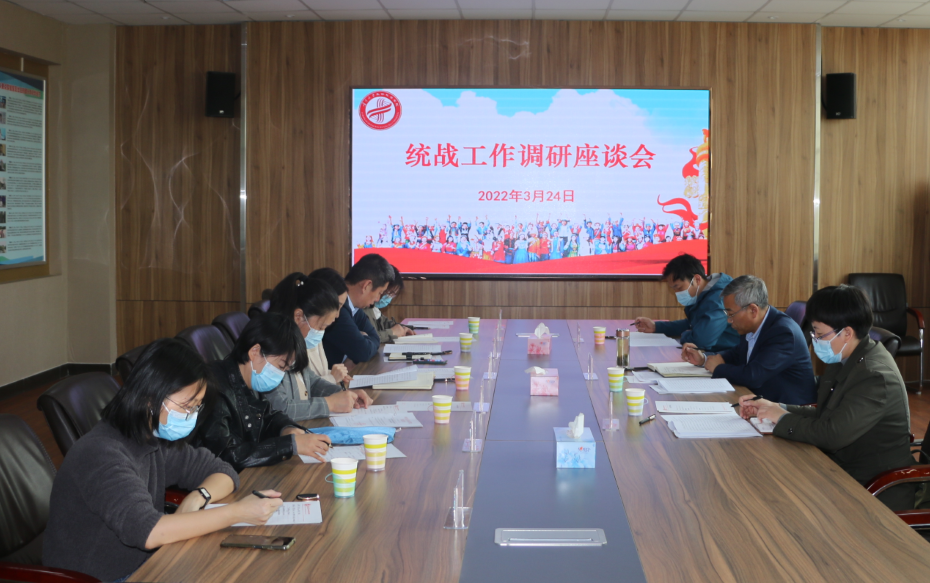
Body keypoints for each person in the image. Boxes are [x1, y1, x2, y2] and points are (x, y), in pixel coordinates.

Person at [43, 339, 283, 582]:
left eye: (197, 408)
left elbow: (222, 471)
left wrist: (198, 496)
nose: (191, 417)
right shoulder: (100, 454)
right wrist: (238, 512)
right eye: (186, 406)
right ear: (150, 397)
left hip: (149, 563)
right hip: (98, 577)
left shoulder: (153, 436)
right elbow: (149, 532)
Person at [738, 285, 915, 511]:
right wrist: (775, 408)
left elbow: (832, 434)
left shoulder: (875, 376)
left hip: (873, 488)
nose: (815, 340)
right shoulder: (846, 357)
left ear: (847, 333)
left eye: (820, 334)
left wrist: (781, 418)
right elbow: (826, 413)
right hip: (842, 471)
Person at [194, 313, 332, 471]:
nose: (280, 375)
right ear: (255, 352)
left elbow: (268, 414)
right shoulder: (214, 388)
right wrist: (289, 445)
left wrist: (286, 429)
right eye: (281, 366)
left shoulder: (251, 378)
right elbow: (227, 455)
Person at [682, 275, 817, 404]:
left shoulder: (782, 332)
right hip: (760, 400)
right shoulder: (753, 324)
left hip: (789, 410)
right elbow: (737, 354)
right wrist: (705, 359)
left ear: (753, 310)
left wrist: (718, 368)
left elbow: (754, 377)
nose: (729, 320)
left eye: (731, 314)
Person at [267, 272, 372, 420]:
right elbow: (281, 409)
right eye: (321, 327)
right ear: (298, 317)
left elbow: (312, 382)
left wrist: (344, 395)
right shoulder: (270, 348)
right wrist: (329, 404)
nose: (321, 333)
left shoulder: (295, 343)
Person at [634, 254, 739, 352]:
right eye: (673, 289)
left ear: (697, 279)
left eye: (679, 287)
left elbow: (701, 341)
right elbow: (692, 323)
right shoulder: (704, 294)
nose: (677, 293)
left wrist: (686, 334)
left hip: (730, 356)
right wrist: (656, 327)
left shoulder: (719, 299)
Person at [322, 253, 394, 365]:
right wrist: (364, 338)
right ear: (366, 286)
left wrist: (364, 340)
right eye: (379, 293)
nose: (377, 299)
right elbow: (363, 352)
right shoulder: (336, 308)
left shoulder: (355, 307)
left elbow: (375, 338)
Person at [363, 264, 415, 343]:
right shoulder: (362, 307)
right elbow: (371, 337)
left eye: (393, 295)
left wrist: (402, 328)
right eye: (390, 293)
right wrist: (392, 332)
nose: (378, 298)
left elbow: (385, 322)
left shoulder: (373, 308)